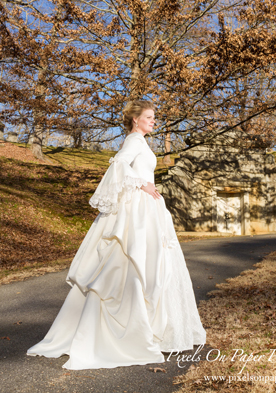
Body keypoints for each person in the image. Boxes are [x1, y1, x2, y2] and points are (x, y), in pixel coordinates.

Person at [27, 100, 206, 370]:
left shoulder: (142, 142)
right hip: (137, 210)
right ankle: (128, 333)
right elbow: (118, 165)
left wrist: (146, 185)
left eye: (154, 117)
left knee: (149, 265)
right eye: (149, 117)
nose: (153, 121)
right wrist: (142, 183)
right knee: (129, 263)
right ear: (136, 119)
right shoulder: (134, 140)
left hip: (147, 210)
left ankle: (149, 328)